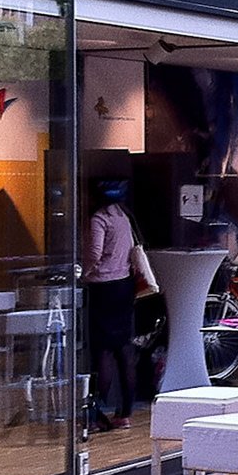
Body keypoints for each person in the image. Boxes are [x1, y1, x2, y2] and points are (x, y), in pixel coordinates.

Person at [83, 179, 141, 430]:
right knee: (124, 350)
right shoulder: (123, 216)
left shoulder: (99, 219)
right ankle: (124, 413)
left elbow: (94, 253)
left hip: (103, 288)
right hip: (124, 286)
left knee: (103, 352)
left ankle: (96, 415)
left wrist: (84, 272)